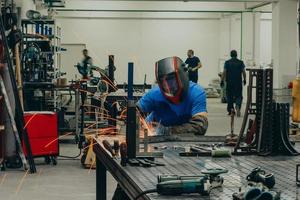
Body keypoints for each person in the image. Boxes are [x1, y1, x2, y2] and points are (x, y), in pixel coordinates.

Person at [112, 56, 208, 200]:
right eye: (163, 83)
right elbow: (134, 115)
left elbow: (200, 126)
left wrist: (168, 131)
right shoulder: (155, 94)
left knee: (189, 186)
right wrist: (133, 120)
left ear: (182, 77)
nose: (168, 87)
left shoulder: (197, 93)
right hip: (154, 140)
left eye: (172, 82)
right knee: (132, 178)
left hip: (184, 146)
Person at [220, 50, 246, 117]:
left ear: (230, 55)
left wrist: (222, 80)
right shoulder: (241, 62)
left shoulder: (227, 62)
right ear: (236, 55)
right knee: (239, 95)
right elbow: (243, 71)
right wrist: (245, 79)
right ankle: (237, 105)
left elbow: (224, 72)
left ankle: (231, 110)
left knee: (229, 96)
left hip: (229, 82)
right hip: (238, 82)